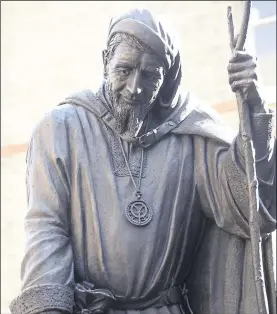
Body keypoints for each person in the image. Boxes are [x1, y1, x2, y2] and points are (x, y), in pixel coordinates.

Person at [10, 8, 276, 314]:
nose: (135, 88)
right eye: (124, 70)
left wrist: (255, 112)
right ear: (105, 61)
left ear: (167, 79)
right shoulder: (60, 128)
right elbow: (46, 228)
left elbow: (250, 209)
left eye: (150, 75)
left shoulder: (192, 132)